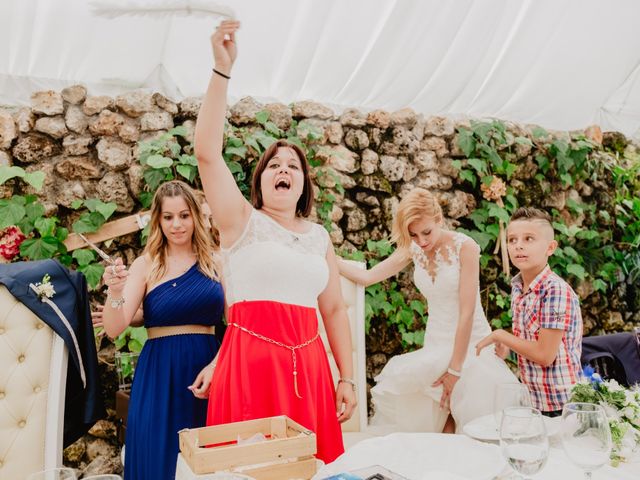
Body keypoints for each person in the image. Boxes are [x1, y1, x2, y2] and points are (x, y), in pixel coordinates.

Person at [194, 20, 356, 463]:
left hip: (312, 371)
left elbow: (335, 310)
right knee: (250, 468)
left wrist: (347, 377)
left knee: (311, 468)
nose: (283, 169)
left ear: (303, 185)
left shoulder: (319, 236)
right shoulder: (240, 221)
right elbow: (207, 152)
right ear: (260, 181)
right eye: (273, 165)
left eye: (293, 166)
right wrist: (221, 70)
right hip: (250, 369)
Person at [338, 187, 517, 433]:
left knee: (469, 429)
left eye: (426, 232)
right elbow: (368, 277)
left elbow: (467, 312)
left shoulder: (465, 247)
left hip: (471, 346)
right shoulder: (414, 250)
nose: (422, 241)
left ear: (439, 219)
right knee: (434, 433)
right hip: (435, 345)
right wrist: (326, 255)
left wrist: (455, 370)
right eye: (413, 235)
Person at [101, 180, 225, 480]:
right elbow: (114, 327)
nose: (177, 224)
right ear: (157, 220)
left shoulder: (217, 261)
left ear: (196, 216)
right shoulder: (147, 264)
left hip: (207, 372)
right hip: (158, 374)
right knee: (157, 458)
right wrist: (115, 290)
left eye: (184, 215)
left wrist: (217, 364)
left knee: (204, 462)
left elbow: (237, 324)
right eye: (168, 217)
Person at [476, 207, 583, 417]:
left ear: (550, 248)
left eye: (529, 239)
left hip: (561, 405)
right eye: (512, 240)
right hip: (532, 399)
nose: (518, 246)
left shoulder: (555, 290)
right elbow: (529, 337)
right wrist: (509, 347)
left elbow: (544, 355)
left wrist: (501, 336)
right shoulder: (518, 287)